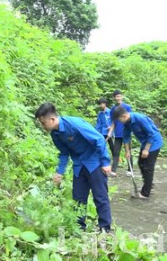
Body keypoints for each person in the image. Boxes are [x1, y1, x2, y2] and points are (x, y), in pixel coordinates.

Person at [35, 102, 112, 233]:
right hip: (79, 165)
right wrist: (59, 172)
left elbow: (98, 139)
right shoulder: (55, 134)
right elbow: (64, 153)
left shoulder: (74, 124)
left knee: (100, 197)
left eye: (43, 123)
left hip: (94, 163)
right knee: (78, 199)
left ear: (52, 119)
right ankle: (79, 229)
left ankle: (105, 229)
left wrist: (105, 162)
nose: (43, 127)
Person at [113, 106, 163, 199]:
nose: (119, 122)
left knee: (148, 167)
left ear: (124, 116)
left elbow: (151, 134)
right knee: (141, 163)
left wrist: (146, 149)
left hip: (154, 142)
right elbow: (126, 137)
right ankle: (149, 185)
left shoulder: (140, 119)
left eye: (119, 120)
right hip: (145, 142)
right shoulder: (127, 122)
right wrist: (127, 152)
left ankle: (145, 193)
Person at [106, 90, 133, 176]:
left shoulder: (127, 107)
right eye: (116, 96)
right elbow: (113, 121)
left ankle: (130, 169)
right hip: (117, 134)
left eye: (119, 96)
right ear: (114, 98)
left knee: (128, 150)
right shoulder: (113, 109)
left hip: (126, 133)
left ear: (122, 96)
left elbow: (130, 119)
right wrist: (110, 132)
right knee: (116, 151)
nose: (118, 98)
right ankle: (113, 170)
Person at [95, 98, 116, 176]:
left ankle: (115, 164)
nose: (101, 105)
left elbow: (114, 122)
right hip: (102, 133)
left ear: (105, 103)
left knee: (112, 148)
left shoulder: (110, 112)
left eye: (102, 103)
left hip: (110, 133)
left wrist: (110, 128)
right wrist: (96, 132)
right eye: (100, 104)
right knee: (102, 147)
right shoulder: (100, 114)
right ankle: (103, 163)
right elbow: (98, 124)